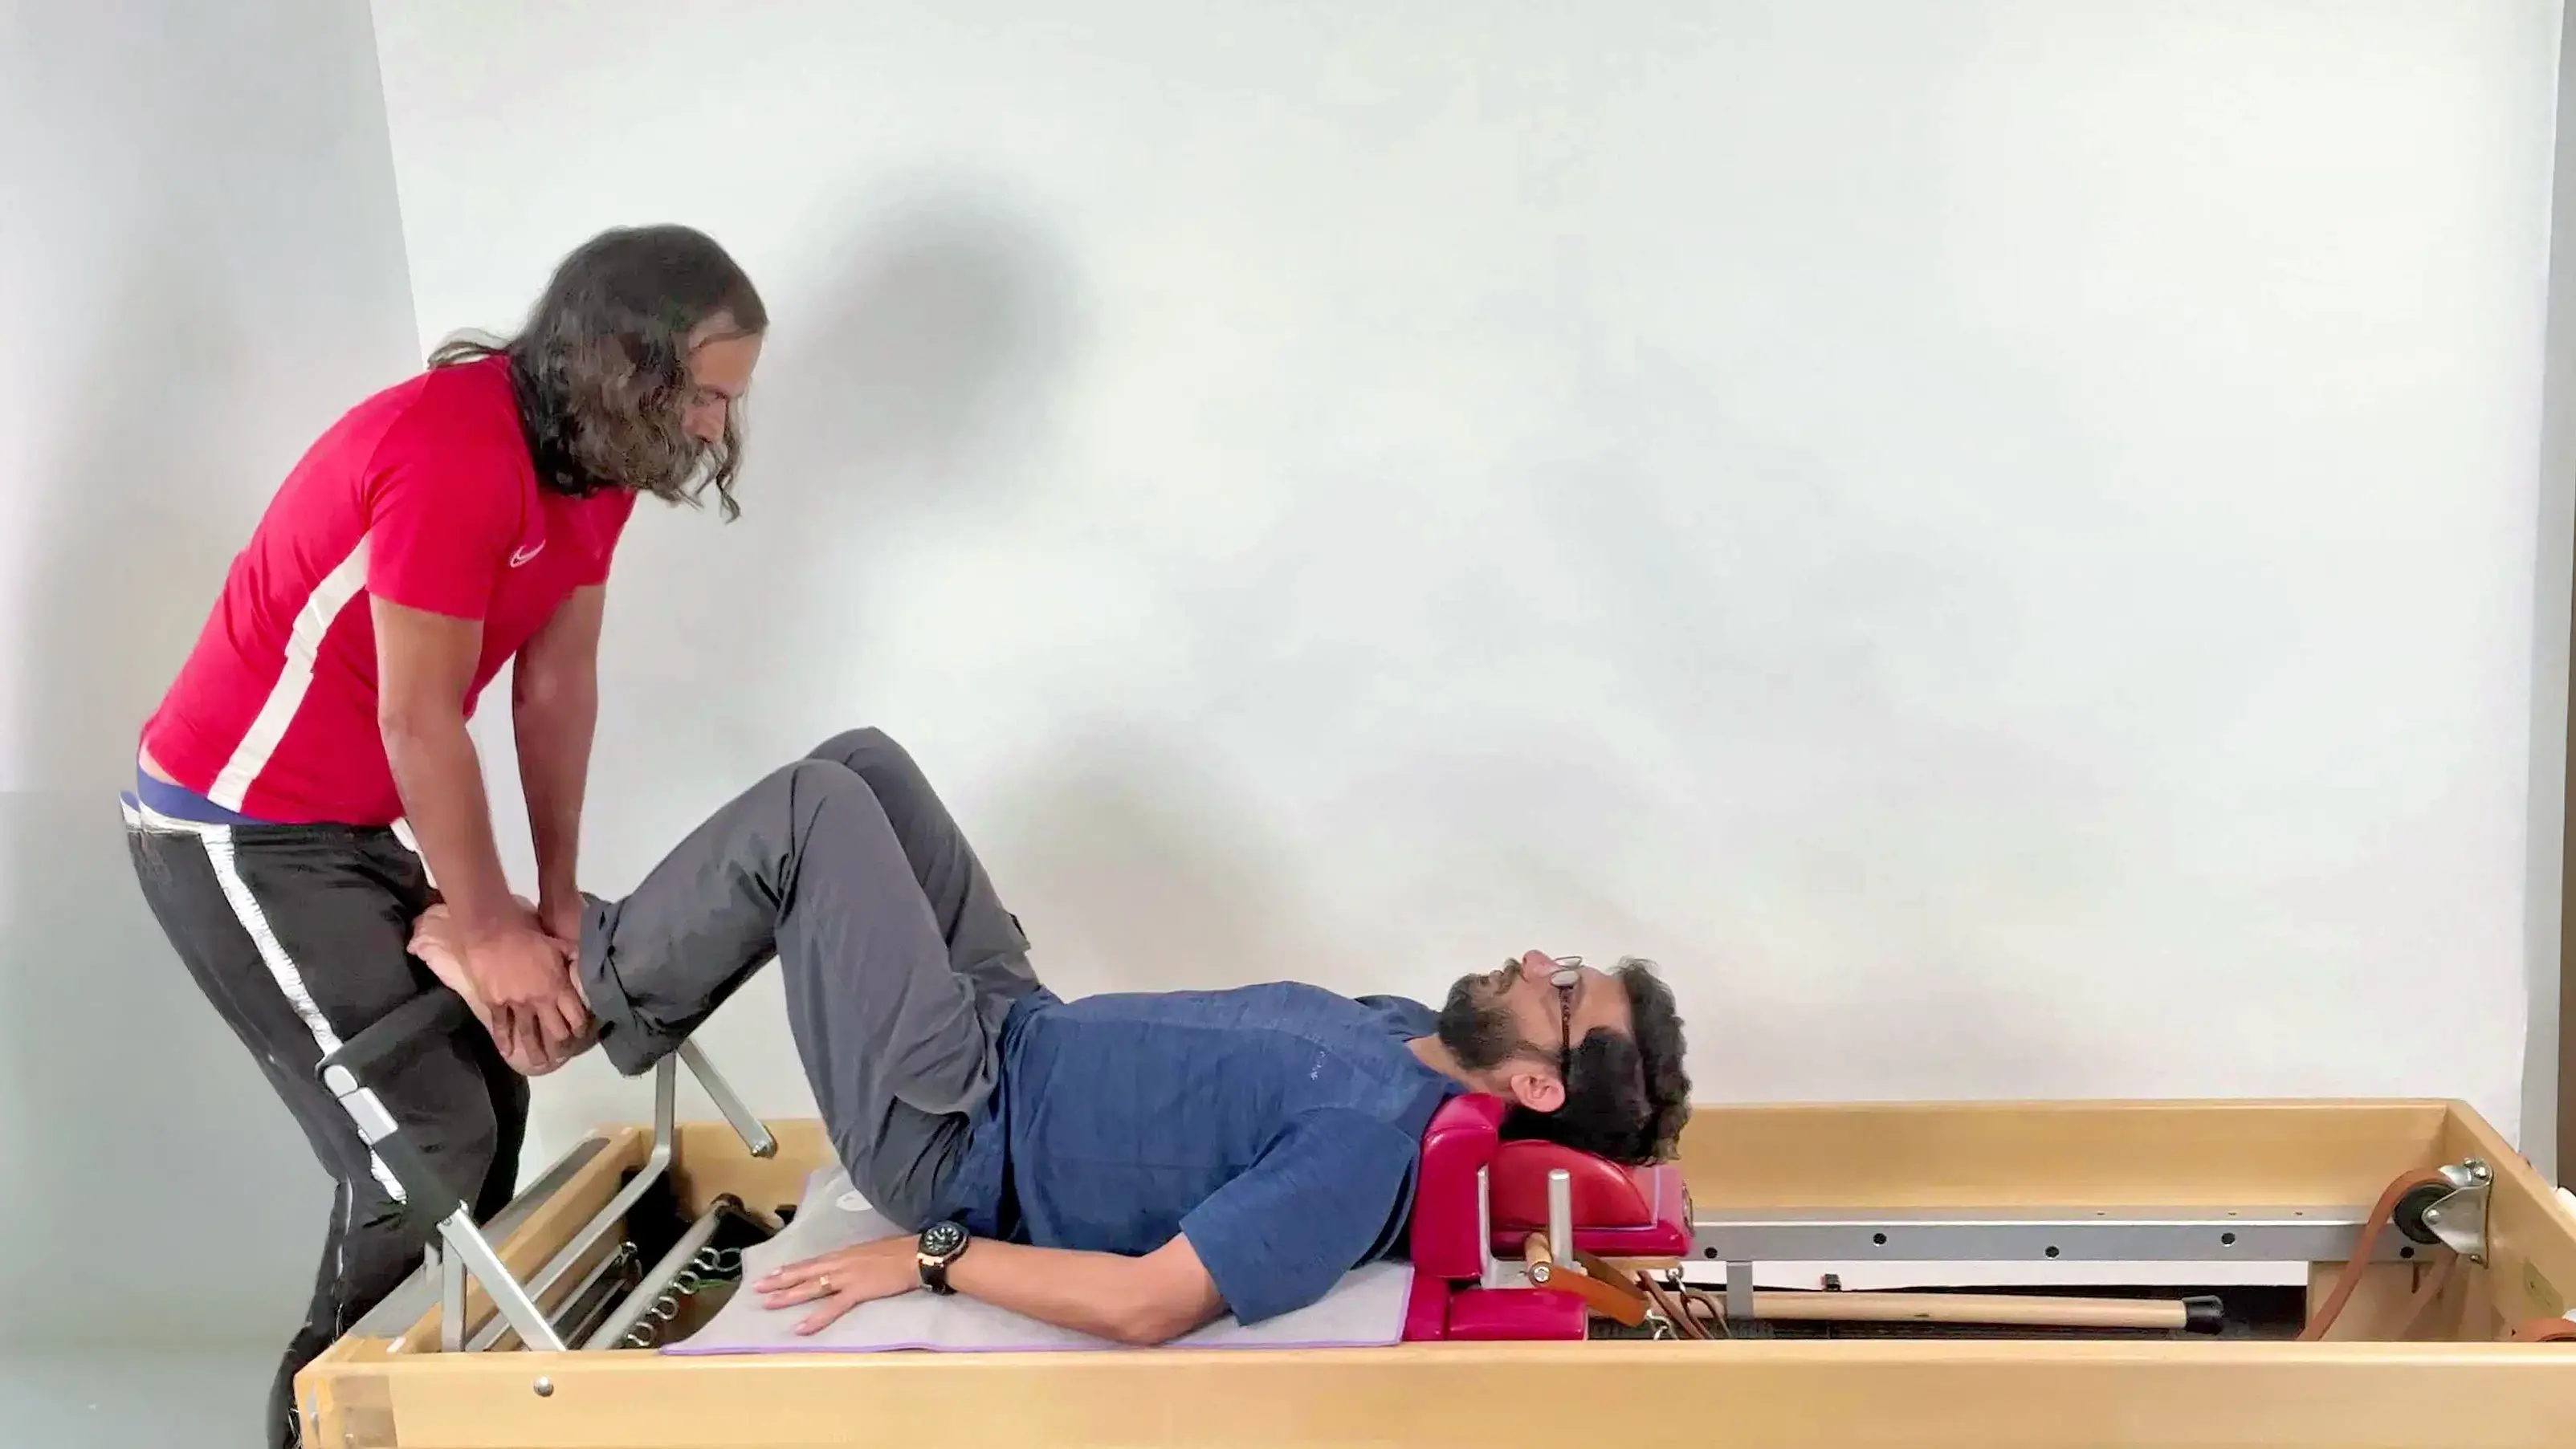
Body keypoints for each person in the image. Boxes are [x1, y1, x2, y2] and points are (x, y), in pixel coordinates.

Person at [413, 727, 1694, 1345]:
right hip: (1012, 1024)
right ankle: (615, 960)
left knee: (811, 813)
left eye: (1564, 988)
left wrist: (931, 1259)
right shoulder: (1408, 1036)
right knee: (866, 766)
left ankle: (564, 1008)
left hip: (955, 1127)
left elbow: (1148, 1305)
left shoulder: (1364, 1150)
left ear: (1535, 1079)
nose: (1539, 961)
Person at [121, 224, 765, 1449]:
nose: (711, 431)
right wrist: (481, 925)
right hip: (233, 828)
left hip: (352, 818)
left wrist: (553, 902)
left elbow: (554, 685)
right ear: (624, 368)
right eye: (701, 396)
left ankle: (434, 1415)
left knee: (485, 1103)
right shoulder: (449, 452)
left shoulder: (595, 468)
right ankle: (328, 1425)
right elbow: (418, 715)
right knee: (423, 1145)